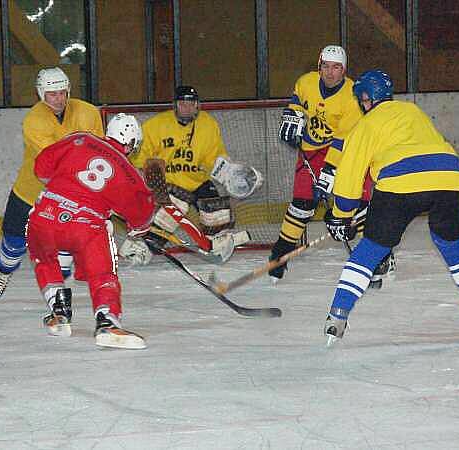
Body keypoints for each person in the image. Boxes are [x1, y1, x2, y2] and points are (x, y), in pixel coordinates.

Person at [322, 69, 459, 346]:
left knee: (372, 248)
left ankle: (337, 317)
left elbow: (349, 176)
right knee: (450, 241)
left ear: (365, 99)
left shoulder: (365, 125)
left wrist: (341, 215)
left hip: (399, 184)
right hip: (452, 178)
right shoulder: (413, 111)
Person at [27, 113, 154, 349]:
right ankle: (106, 321)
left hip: (45, 214)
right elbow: (141, 216)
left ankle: (59, 314)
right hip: (86, 226)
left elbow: (41, 167)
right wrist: (137, 230)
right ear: (133, 143)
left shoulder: (81, 138)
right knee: (103, 273)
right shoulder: (130, 173)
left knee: (43, 258)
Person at [0, 67, 104, 302]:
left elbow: (99, 152)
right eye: (52, 94)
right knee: (13, 242)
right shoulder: (34, 120)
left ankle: (59, 297)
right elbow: (57, 162)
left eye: (62, 92)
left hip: (68, 196)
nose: (59, 99)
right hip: (31, 191)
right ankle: (4, 272)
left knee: (61, 248)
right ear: (41, 94)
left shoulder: (88, 112)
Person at [124, 85, 262, 263]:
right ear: (175, 105)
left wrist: (230, 173)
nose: (187, 107)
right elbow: (139, 156)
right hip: (170, 182)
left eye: (191, 103)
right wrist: (144, 177)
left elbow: (214, 156)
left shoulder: (208, 124)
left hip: (198, 180)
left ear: (197, 105)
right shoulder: (156, 125)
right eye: (182, 103)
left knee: (216, 210)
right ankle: (143, 245)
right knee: (173, 209)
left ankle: (217, 242)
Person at [269, 45, 372, 283]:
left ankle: (379, 257)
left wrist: (329, 170)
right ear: (319, 66)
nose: (330, 72)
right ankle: (280, 254)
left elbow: (342, 139)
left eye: (336, 67)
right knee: (302, 205)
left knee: (359, 206)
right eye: (325, 66)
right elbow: (297, 100)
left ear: (344, 70)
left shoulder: (352, 94)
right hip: (311, 151)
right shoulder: (306, 82)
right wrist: (292, 115)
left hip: (346, 153)